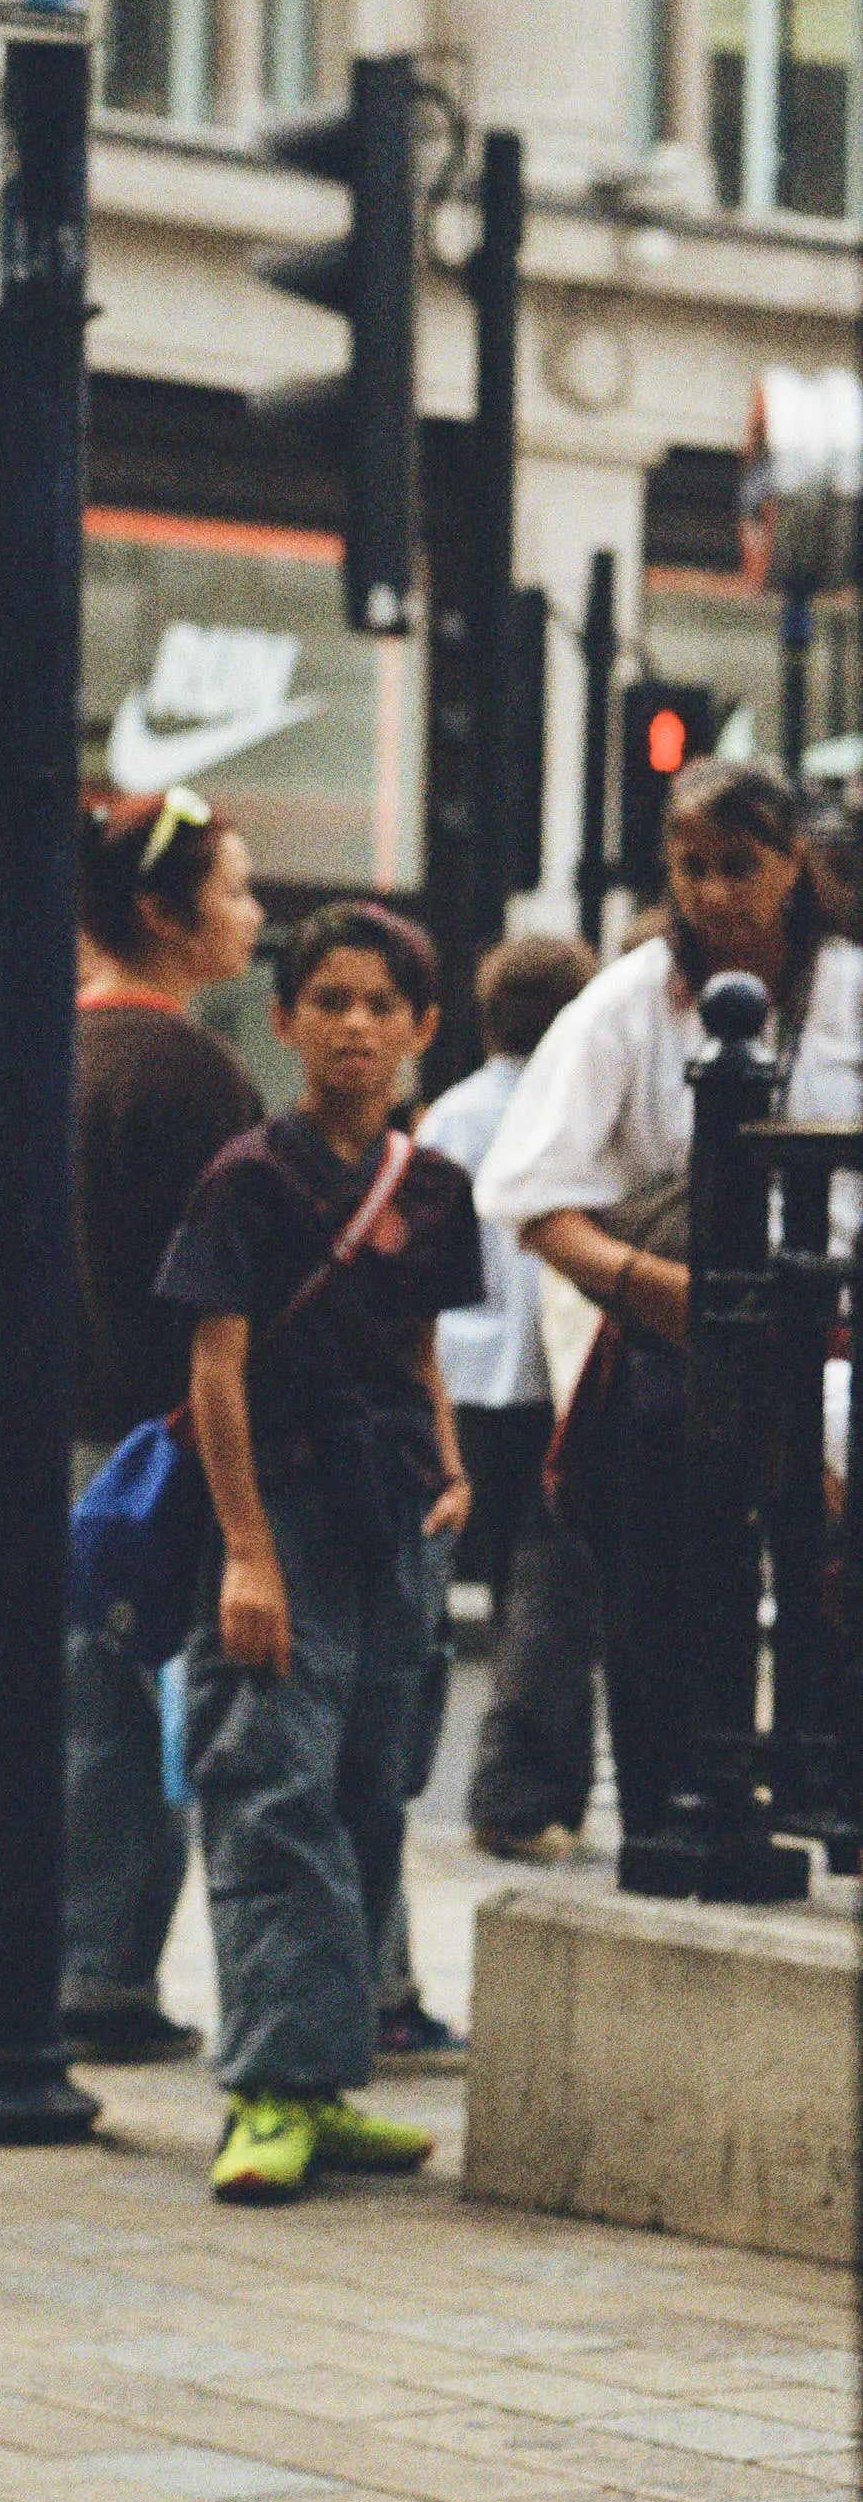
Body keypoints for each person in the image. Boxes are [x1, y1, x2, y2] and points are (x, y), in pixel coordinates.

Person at [479, 757, 863, 1864]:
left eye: (738, 864)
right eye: (689, 867)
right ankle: (671, 1810)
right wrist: (659, 1291)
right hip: (672, 1335)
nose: (711, 891)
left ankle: (828, 1798)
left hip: (833, 1322)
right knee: (668, 1575)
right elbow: (528, 1193)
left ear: (794, 863)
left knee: (833, 1579)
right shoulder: (628, 1000)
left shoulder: (846, 986)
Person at [161, 900, 480, 2209]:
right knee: (268, 1785)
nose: (352, 1025)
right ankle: (268, 2090)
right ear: (282, 1019)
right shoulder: (246, 1175)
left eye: (378, 1005)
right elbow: (214, 1365)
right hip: (278, 1506)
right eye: (327, 1001)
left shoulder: (432, 1187)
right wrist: (244, 1552)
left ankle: (329, 2074)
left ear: (419, 1028)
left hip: (391, 1507)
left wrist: (450, 1465)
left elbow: (413, 1350)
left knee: (364, 1788)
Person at [54, 785, 265, 2060]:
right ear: (160, 914)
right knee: (149, 1714)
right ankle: (104, 1978)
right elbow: (231, 1289)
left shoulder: (46, 1050)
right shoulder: (193, 1074)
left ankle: (74, 1959)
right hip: (159, 1437)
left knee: (88, 1711)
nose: (248, 916)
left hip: (52, 1429)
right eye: (232, 890)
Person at [426, 933, 605, 1864]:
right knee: (550, 1582)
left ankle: (548, 1787)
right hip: (550, 1378)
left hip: (461, 1383)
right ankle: (518, 1789)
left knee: (512, 1578)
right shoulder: (568, 1111)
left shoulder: (448, 1116)